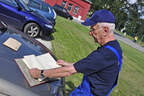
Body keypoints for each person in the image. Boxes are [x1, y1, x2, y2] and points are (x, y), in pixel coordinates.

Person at [29, 9, 123, 96]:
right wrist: (69, 64)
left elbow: (69, 71)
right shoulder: (115, 48)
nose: (90, 33)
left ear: (105, 30)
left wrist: (40, 73)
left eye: (93, 29)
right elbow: (93, 65)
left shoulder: (104, 54)